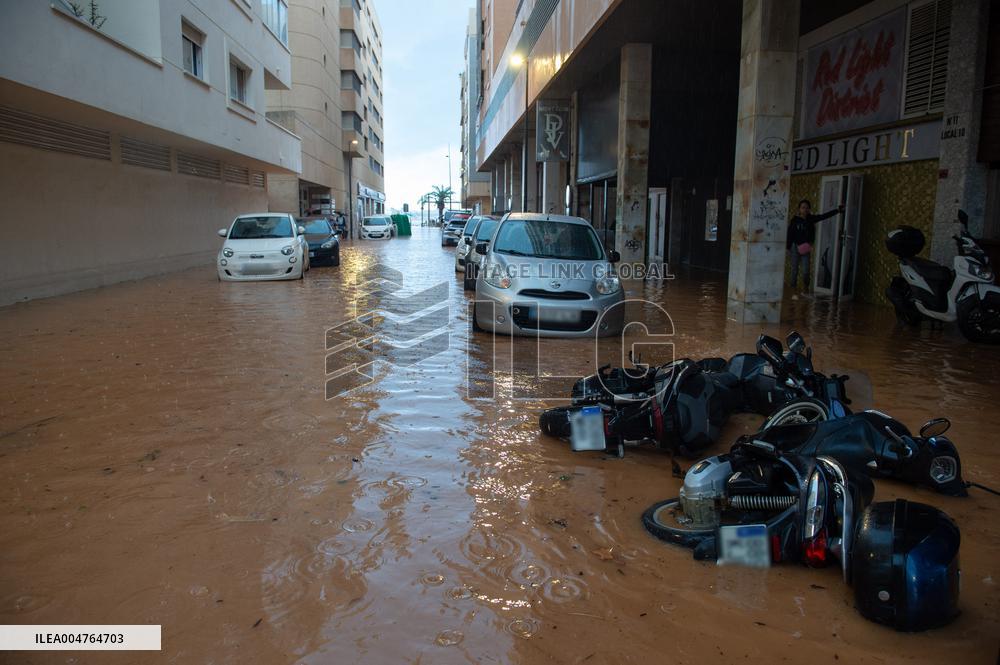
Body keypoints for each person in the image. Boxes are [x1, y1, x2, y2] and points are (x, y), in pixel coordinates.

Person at [786, 199, 844, 294]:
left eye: (807, 208)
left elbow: (824, 216)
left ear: (809, 209)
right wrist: (788, 248)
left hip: (805, 248)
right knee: (794, 270)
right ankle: (793, 290)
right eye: (803, 208)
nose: (805, 210)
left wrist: (837, 210)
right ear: (799, 209)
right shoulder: (794, 220)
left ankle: (806, 288)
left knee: (806, 271)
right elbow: (790, 234)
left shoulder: (811, 219)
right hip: (794, 247)